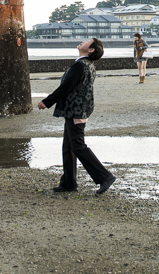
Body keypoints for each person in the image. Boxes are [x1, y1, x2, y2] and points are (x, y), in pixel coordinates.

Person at [37, 38, 116, 195]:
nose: (82, 41)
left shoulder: (81, 64)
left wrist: (47, 101)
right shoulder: (86, 64)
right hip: (78, 109)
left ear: (91, 50)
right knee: (69, 146)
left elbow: (66, 87)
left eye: (87, 41)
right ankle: (68, 182)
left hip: (76, 110)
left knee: (78, 146)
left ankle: (105, 177)